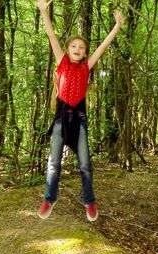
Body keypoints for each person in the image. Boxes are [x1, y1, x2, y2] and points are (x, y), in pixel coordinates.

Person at [37, 0, 125, 222]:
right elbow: (52, 37)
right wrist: (43, 11)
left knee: (84, 163)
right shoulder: (62, 63)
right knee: (54, 163)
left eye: (81, 48)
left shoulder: (87, 67)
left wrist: (116, 27)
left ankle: (89, 201)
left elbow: (103, 47)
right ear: (68, 50)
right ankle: (49, 198)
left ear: (85, 53)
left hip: (79, 119)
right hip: (60, 120)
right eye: (74, 46)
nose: (77, 49)